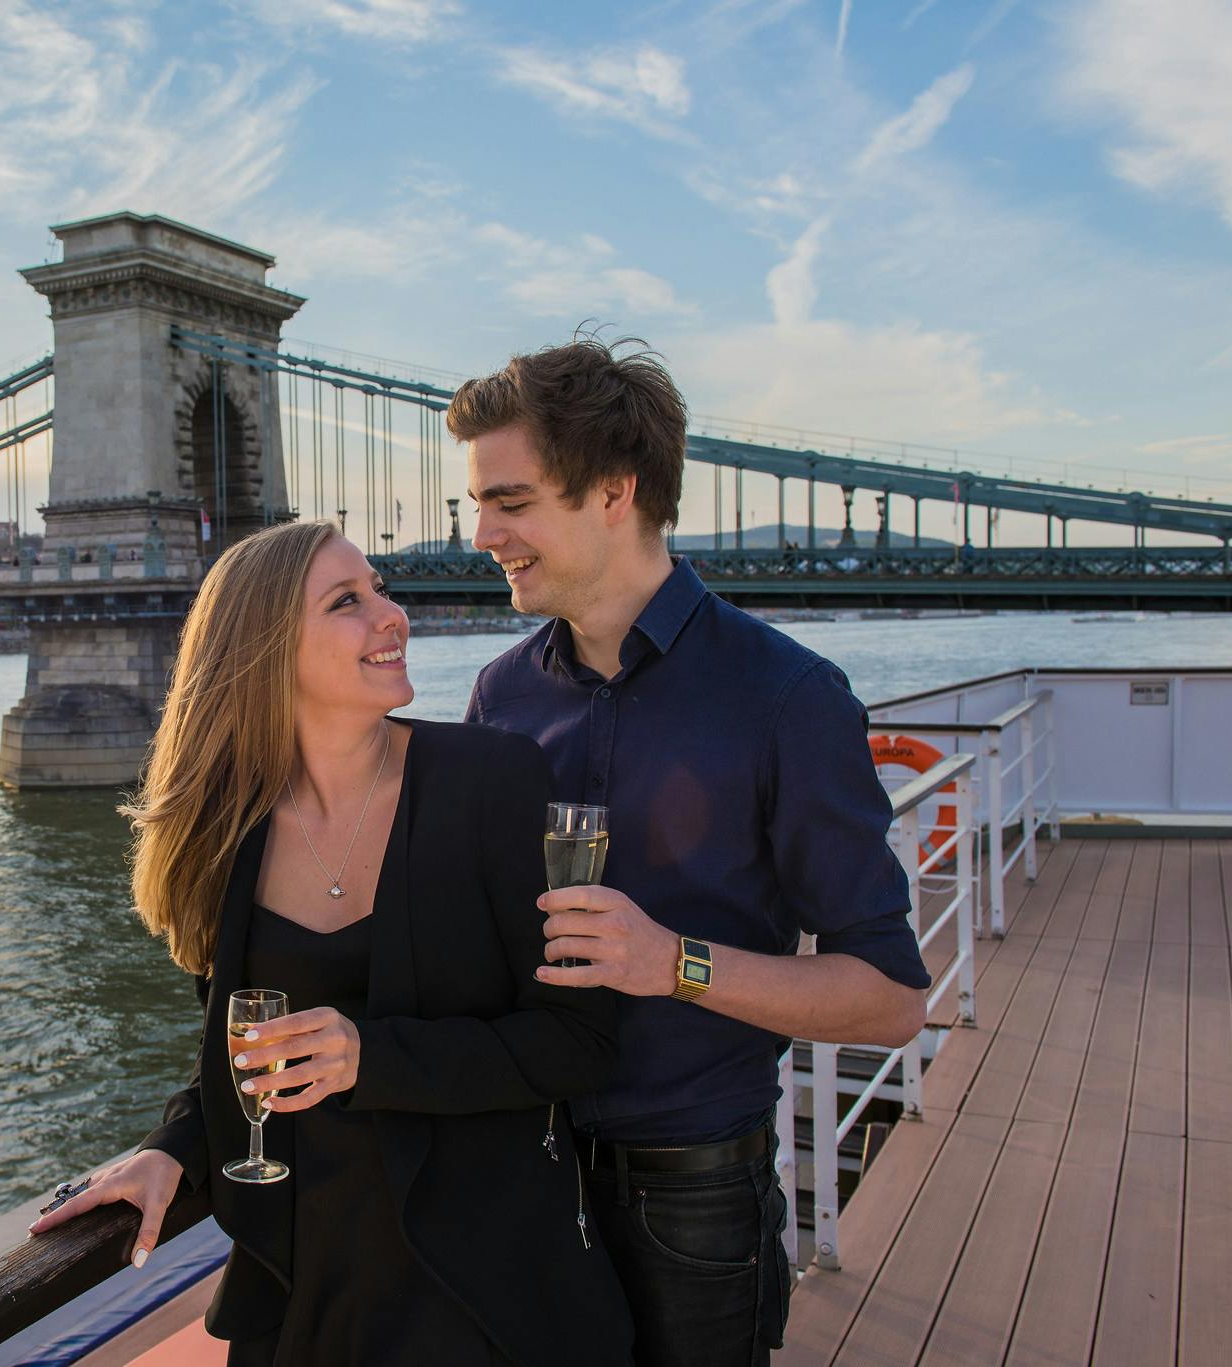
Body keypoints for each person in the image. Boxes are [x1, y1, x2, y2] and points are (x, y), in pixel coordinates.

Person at [30, 519, 634, 1367]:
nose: (392, 615)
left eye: (380, 589)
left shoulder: (495, 782)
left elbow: (581, 1041)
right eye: (348, 601)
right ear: (268, 647)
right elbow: (239, 1055)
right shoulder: (224, 834)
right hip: (304, 1291)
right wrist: (173, 1150)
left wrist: (370, 1057)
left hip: (487, 1293)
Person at [449, 340, 931, 1367]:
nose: (481, 533)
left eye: (511, 501)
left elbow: (888, 996)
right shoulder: (498, 696)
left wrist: (673, 962)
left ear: (615, 490)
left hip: (692, 1186)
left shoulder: (786, 697)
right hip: (518, 1165)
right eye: (480, 503)